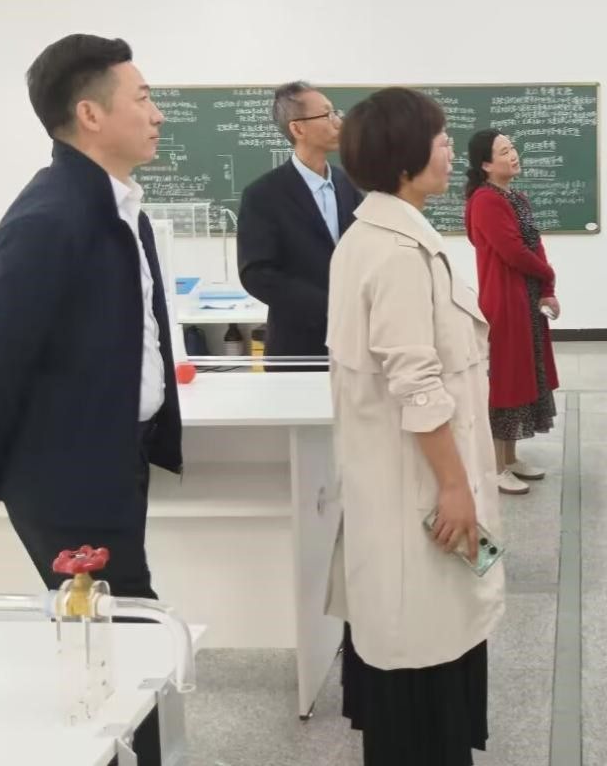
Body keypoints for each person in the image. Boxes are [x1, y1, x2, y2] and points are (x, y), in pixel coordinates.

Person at [0, 34, 182, 599]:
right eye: (142, 99)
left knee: (112, 622)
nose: (157, 115)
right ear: (90, 115)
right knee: (117, 624)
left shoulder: (116, 210)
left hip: (111, 454)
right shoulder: (51, 220)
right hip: (69, 471)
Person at [325, 88, 504, 766]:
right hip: (422, 488)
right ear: (404, 159)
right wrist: (455, 486)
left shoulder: (383, 237)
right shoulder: (396, 252)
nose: (451, 150)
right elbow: (417, 386)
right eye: (439, 139)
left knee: (423, 641)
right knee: (421, 656)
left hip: (404, 485)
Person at [237, 82, 360, 369]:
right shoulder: (263, 194)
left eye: (336, 112)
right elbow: (257, 274)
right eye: (327, 114)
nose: (337, 122)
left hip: (352, 341)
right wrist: (328, 306)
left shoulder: (347, 184)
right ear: (298, 128)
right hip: (297, 344)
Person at [464, 129, 559, 496]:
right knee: (505, 382)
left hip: (527, 300)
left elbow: (535, 245)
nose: (513, 155)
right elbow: (513, 251)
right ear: (486, 164)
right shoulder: (485, 201)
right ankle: (495, 467)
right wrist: (547, 275)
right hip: (504, 303)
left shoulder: (516, 197)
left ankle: (511, 457)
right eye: (504, 151)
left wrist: (547, 288)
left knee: (524, 377)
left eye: (512, 148)